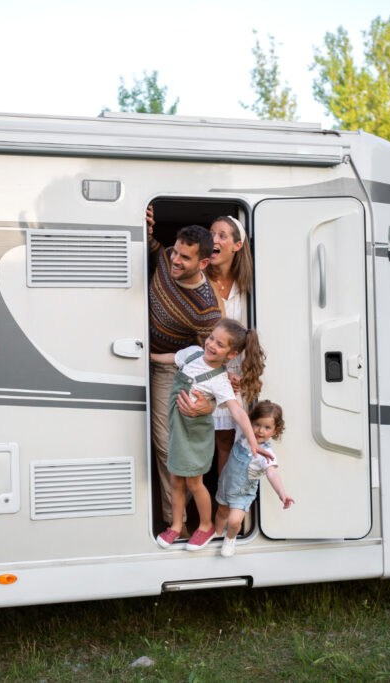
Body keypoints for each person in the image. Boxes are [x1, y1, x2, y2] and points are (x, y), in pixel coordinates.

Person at [150, 318, 269, 551]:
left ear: (231, 354)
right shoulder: (192, 354)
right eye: (212, 338)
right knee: (175, 479)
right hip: (178, 428)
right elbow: (171, 358)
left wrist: (253, 443)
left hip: (195, 435)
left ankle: (205, 526)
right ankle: (175, 525)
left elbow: (238, 411)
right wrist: (149, 357)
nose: (212, 345)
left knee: (194, 483)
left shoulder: (219, 380)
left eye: (220, 345)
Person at [147, 205, 221, 528]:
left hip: (170, 371)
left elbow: (213, 361)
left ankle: (175, 524)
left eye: (185, 258)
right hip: (137, 356)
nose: (175, 261)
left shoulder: (206, 309)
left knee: (168, 449)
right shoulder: (166, 260)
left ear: (203, 263)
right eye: (175, 252)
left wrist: (210, 401)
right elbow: (154, 252)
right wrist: (148, 232)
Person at [205, 215, 261, 475]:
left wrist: (243, 374)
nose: (213, 240)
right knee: (206, 441)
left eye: (222, 236)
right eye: (211, 234)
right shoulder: (200, 280)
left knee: (229, 442)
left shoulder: (247, 285)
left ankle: (226, 509)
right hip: (209, 368)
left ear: (237, 246)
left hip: (237, 373)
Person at [215, 400, 295, 557]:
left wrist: (282, 493)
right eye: (257, 425)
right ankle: (217, 534)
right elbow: (238, 409)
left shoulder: (267, 454)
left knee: (234, 521)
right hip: (226, 484)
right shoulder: (243, 436)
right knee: (221, 511)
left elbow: (272, 473)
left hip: (242, 493)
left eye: (267, 428)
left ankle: (230, 538)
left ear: (275, 430)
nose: (260, 431)